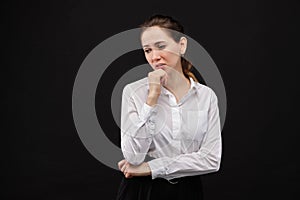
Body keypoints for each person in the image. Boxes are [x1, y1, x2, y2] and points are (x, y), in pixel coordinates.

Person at [116, 14, 222, 200]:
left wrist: (151, 167)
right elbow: (133, 157)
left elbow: (211, 160)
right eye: (147, 50)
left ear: (182, 45)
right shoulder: (133, 92)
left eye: (161, 46)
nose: (154, 57)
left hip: (188, 191)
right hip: (141, 192)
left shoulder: (206, 97)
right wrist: (152, 98)